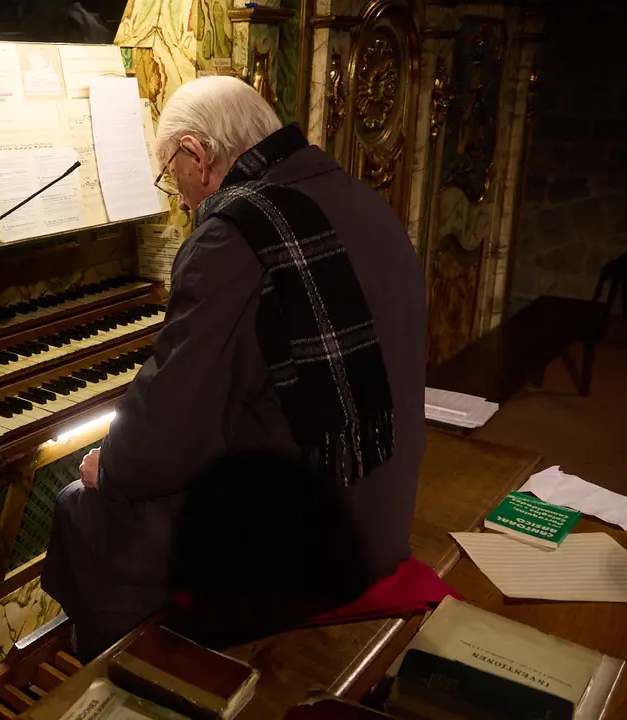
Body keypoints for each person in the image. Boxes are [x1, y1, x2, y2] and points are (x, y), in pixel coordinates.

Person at [40, 75, 427, 660]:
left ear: (196, 152)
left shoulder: (235, 234)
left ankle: (140, 681)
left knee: (80, 508)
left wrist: (111, 466)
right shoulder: (358, 196)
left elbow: (166, 437)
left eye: (174, 179)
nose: (182, 200)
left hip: (307, 543)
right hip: (379, 501)